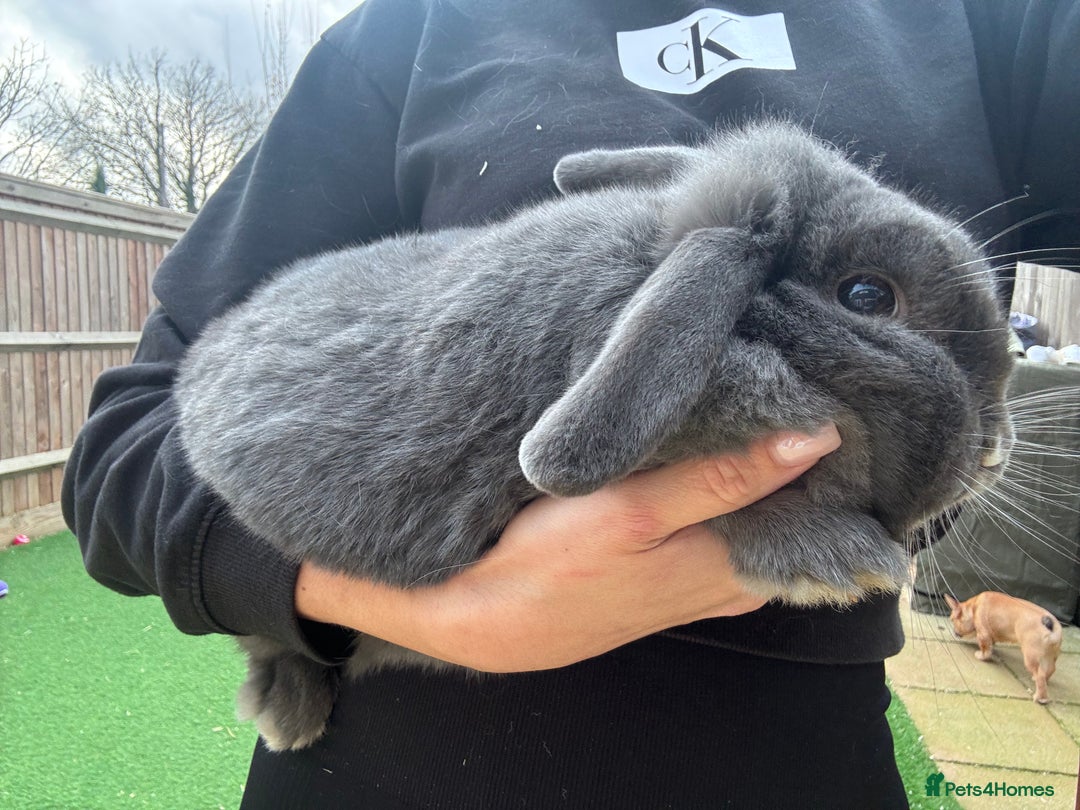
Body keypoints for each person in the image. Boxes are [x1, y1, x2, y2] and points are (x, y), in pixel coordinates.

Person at [62, 1, 1079, 807]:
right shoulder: (408, 32)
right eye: (866, 297)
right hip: (394, 767)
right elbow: (124, 456)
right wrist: (420, 610)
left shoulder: (992, 25)